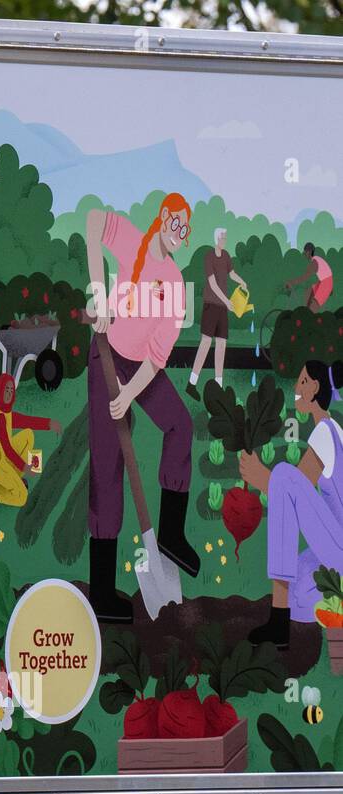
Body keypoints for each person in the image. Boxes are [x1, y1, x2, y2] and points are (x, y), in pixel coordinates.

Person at [83, 193, 201, 624]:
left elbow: (156, 356)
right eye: (178, 224)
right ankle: (100, 594)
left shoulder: (175, 285)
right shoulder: (133, 241)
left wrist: (130, 394)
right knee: (108, 467)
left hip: (139, 372)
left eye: (186, 231)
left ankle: (170, 533)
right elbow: (94, 220)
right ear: (165, 218)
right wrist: (98, 293)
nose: (181, 235)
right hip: (106, 356)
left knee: (180, 425)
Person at [239, 361, 343, 648]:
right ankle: (293, 607)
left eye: (303, 381)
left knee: (284, 474)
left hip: (339, 549)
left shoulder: (324, 432)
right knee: (301, 594)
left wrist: (262, 478)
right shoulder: (334, 429)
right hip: (333, 546)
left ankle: (278, 619)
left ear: (315, 390)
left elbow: (293, 491)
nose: (296, 388)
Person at [0, 373, 62, 509]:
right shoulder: (0, 417)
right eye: (6, 390)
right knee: (21, 497)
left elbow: (26, 421)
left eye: (11, 390)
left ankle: (14, 479)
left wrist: (49, 423)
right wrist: (25, 467)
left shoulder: (5, 412)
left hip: (1, 455)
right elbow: (8, 449)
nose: (9, 394)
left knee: (28, 434)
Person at [186, 227, 248, 401]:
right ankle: (192, 383)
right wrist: (227, 301)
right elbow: (212, 284)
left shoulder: (226, 256)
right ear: (216, 239)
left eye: (225, 237)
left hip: (222, 307)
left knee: (222, 344)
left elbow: (232, 273)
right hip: (211, 305)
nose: (224, 240)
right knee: (206, 342)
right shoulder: (209, 257)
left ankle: (218, 385)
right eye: (222, 237)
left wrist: (241, 281)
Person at [285, 242, 334, 313]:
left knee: (314, 306)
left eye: (306, 252)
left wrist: (291, 282)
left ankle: (311, 316)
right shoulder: (316, 259)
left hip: (326, 283)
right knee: (308, 291)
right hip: (323, 282)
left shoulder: (314, 262)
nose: (304, 254)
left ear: (310, 251)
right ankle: (306, 312)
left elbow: (304, 277)